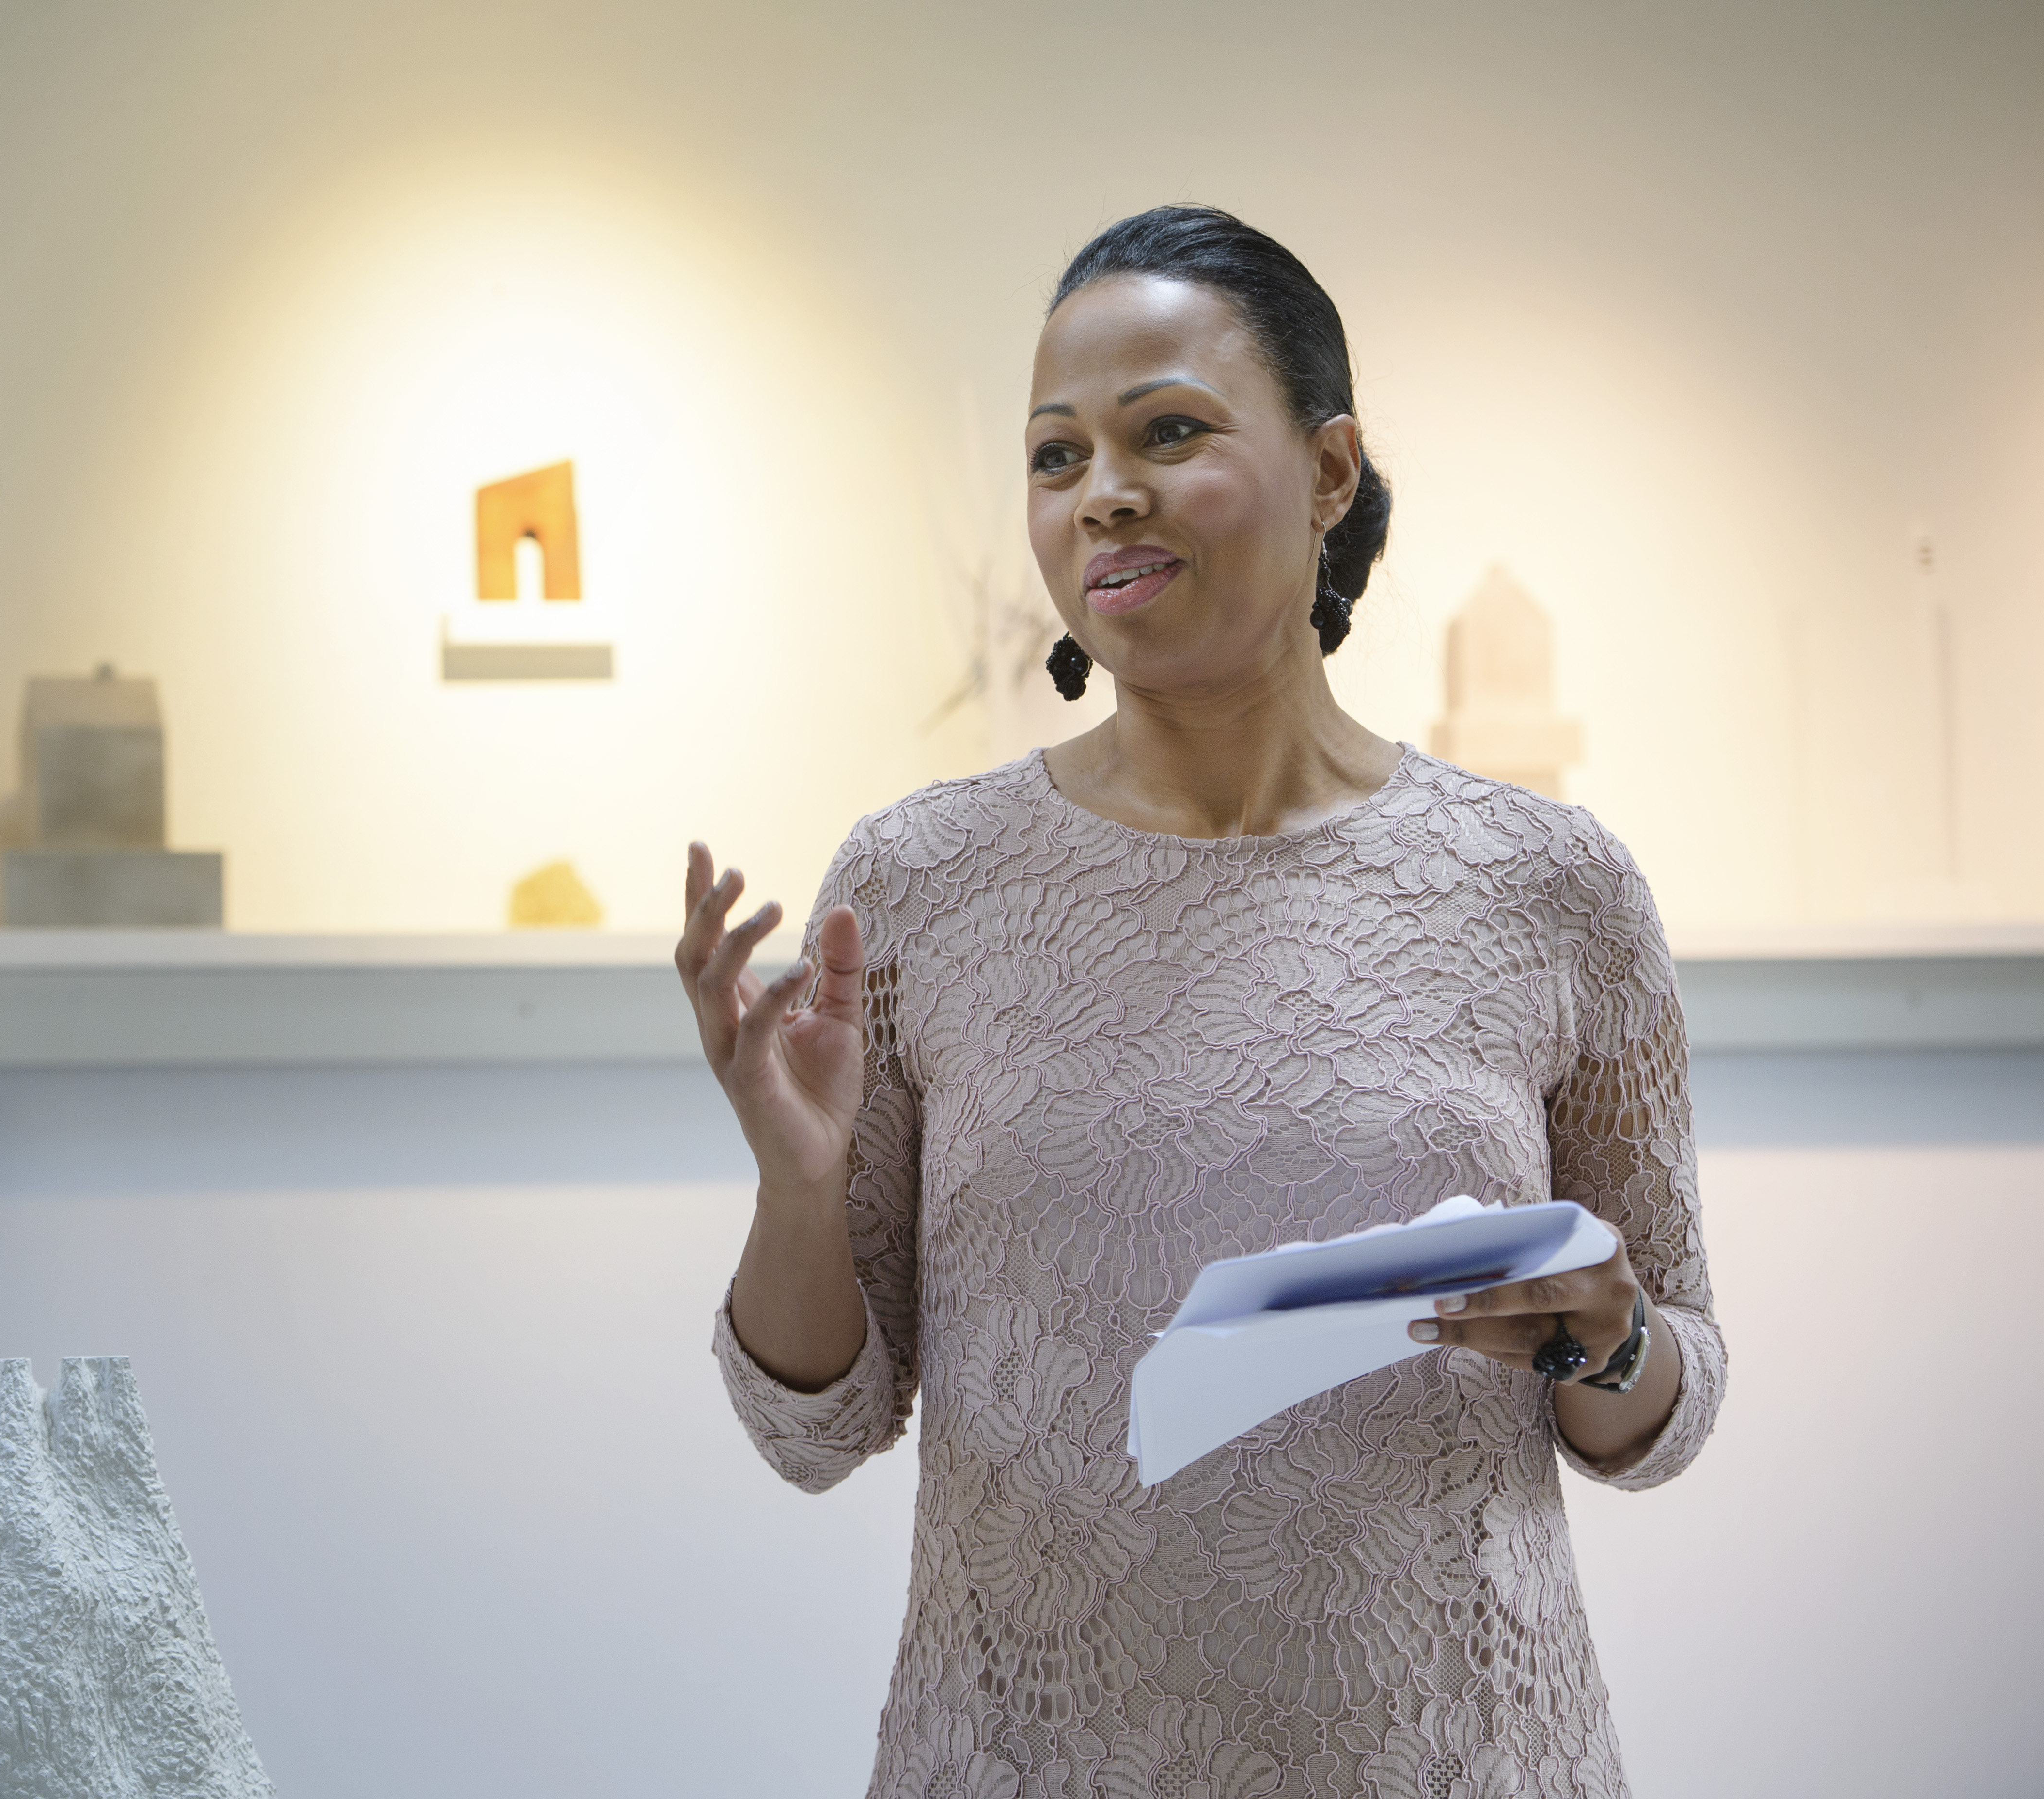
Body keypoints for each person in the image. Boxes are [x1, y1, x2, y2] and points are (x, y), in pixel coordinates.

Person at [675, 205, 1723, 1799]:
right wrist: (798, 1190)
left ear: (1330, 469)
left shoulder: (1550, 886)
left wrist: (1610, 1338)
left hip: (1456, 1758)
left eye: (1168, 432)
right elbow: (814, 1432)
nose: (1103, 491)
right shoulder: (918, 885)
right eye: (1057, 455)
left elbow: (1670, 1399)